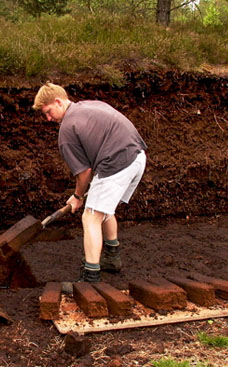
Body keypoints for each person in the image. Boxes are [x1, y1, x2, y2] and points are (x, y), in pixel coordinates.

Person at [33, 82, 147, 282]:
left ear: (58, 102)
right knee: (104, 209)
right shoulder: (90, 105)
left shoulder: (67, 130)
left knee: (90, 216)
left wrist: (77, 197)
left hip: (117, 162)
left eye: (48, 112)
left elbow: (84, 172)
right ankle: (112, 258)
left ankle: (90, 278)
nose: (48, 118)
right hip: (137, 157)